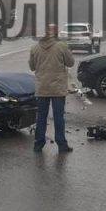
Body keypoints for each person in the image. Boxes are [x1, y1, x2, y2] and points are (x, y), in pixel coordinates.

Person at [28, 22, 74, 153]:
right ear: (55, 32)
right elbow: (70, 62)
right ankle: (61, 144)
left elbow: (32, 67)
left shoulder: (34, 48)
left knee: (41, 117)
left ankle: (38, 144)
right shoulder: (61, 46)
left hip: (42, 87)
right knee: (58, 117)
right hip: (57, 88)